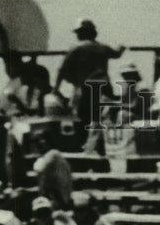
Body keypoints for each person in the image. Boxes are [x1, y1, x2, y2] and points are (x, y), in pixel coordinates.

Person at [53, 19, 126, 151]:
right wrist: (122, 47)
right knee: (103, 120)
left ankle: (85, 148)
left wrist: (55, 89)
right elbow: (116, 54)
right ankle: (102, 149)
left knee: (82, 121)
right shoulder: (103, 47)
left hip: (85, 90)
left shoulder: (76, 48)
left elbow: (62, 70)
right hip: (104, 89)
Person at [0, 107, 27, 190]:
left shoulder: (10, 137)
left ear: (4, 122)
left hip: (11, 181)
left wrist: (11, 185)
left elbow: (11, 162)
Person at [32, 132, 74, 211]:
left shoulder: (53, 154)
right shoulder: (44, 156)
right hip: (51, 194)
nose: (37, 144)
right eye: (34, 142)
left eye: (40, 140)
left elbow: (39, 168)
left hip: (58, 196)